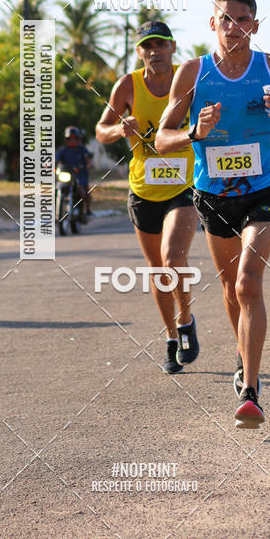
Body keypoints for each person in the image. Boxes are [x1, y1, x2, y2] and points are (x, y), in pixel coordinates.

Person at [155, 0, 270, 429]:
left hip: (263, 189)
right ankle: (242, 352)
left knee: (249, 283)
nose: (233, 28)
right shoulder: (192, 73)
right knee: (231, 290)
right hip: (213, 195)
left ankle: (250, 391)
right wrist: (194, 132)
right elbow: (160, 138)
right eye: (225, 19)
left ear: (255, 24)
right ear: (212, 23)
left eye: (242, 19)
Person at [95, 21, 199, 375]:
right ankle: (171, 337)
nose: (155, 51)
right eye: (147, 46)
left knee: (173, 257)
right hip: (142, 190)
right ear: (139, 51)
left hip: (184, 186)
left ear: (172, 47)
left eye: (161, 44)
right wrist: (118, 128)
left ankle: (185, 319)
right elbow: (101, 131)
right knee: (158, 271)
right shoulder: (128, 85)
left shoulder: (187, 81)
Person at [56, 126, 93, 221]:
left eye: (74, 139)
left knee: (82, 191)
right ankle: (57, 213)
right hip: (66, 176)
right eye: (70, 139)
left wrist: (88, 165)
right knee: (56, 190)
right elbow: (56, 161)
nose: (72, 141)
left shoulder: (82, 150)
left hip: (79, 176)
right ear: (66, 140)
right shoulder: (63, 151)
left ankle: (83, 212)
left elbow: (88, 160)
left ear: (78, 139)